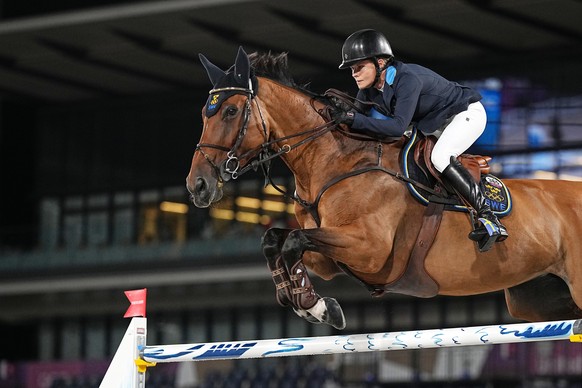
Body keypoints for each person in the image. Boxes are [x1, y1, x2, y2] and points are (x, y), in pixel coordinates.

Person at [332, 29, 507, 250]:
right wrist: (337, 114)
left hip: (466, 114)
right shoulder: (370, 88)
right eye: (352, 69)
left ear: (381, 62)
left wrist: (352, 118)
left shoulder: (407, 80)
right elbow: (355, 116)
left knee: (440, 157)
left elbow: (396, 127)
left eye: (359, 67)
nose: (354, 74)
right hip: (435, 123)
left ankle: (489, 217)